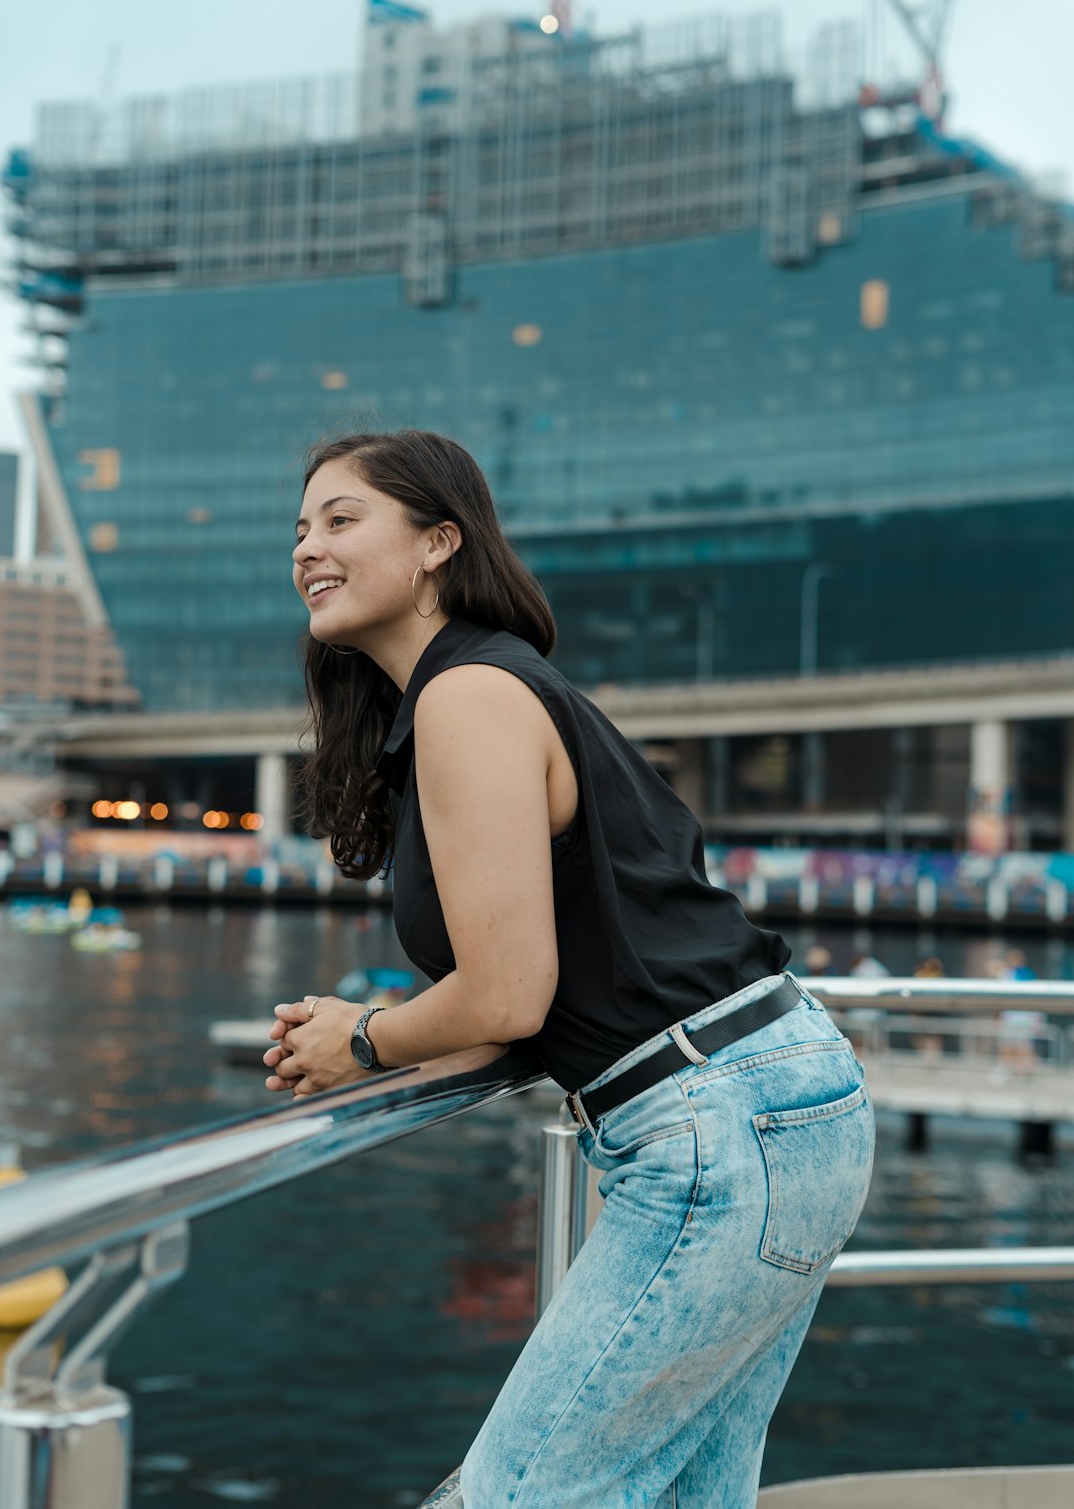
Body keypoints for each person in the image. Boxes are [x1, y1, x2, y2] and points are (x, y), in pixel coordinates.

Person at [264, 430, 876, 1509]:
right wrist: (378, 1031)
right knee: (687, 1492)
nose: (308, 546)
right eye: (302, 526)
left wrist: (361, 1041)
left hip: (719, 1120)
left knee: (516, 1496)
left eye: (342, 518)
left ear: (439, 543)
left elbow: (508, 996)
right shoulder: (474, 696)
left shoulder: (468, 697)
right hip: (771, 1101)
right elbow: (516, 1003)